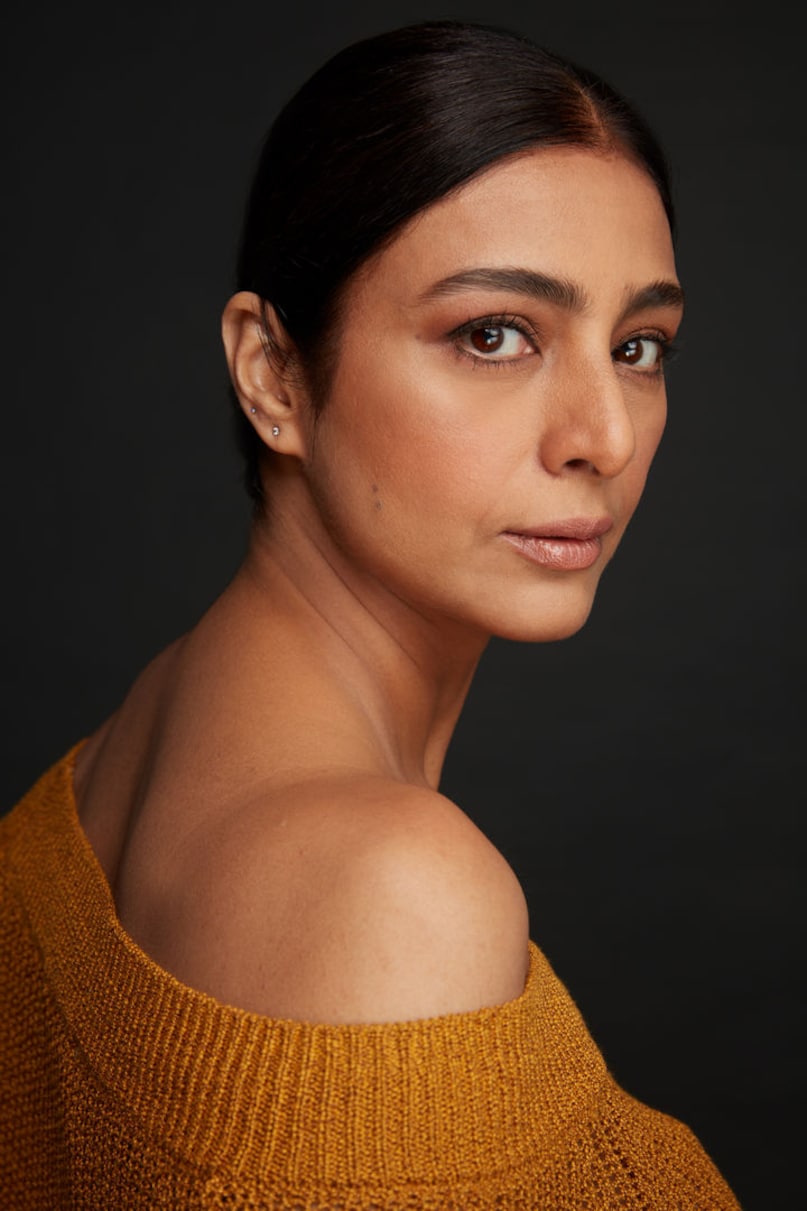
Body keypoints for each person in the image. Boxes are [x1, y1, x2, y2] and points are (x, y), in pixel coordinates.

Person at [0, 20, 741, 1209]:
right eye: (494, 335)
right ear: (273, 373)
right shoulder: (391, 893)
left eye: (639, 345)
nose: (604, 436)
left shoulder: (153, 724)